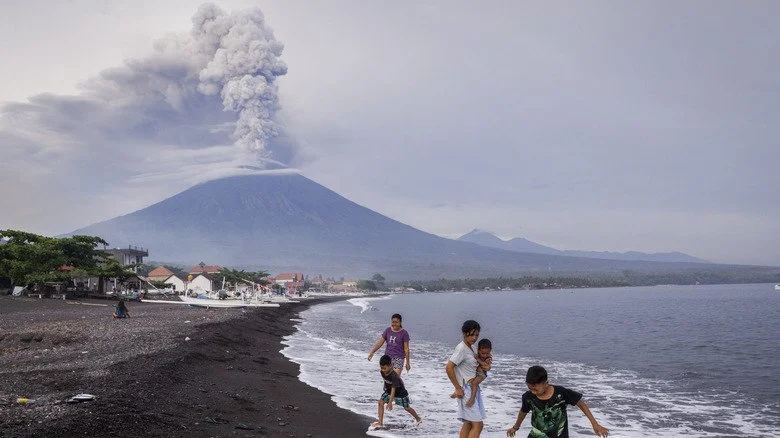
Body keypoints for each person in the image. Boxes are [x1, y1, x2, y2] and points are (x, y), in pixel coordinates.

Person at [506, 365, 609, 438]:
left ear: (546, 383)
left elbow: (581, 403)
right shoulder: (528, 397)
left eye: (535, 389)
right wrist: (515, 427)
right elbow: (523, 412)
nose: (532, 392)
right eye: (529, 388)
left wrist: (595, 424)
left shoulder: (561, 393)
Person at [446, 320, 486, 438]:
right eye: (471, 334)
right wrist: (457, 388)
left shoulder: (472, 348)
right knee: (478, 425)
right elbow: (449, 367)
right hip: (466, 390)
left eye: (477, 335)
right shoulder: (461, 349)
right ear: (464, 333)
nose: (474, 337)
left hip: (473, 389)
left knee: (468, 423)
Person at [370, 354, 422, 429]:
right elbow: (385, 379)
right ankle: (380, 422)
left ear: (390, 366)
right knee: (380, 402)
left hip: (400, 393)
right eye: (381, 367)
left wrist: (390, 402)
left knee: (407, 408)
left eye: (385, 368)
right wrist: (384, 385)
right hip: (389, 390)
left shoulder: (394, 376)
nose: (383, 370)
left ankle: (418, 418)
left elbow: (394, 390)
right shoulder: (382, 371)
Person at [463, 338, 492, 408]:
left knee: (474, 383)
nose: (485, 355)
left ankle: (472, 399)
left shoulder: (489, 358)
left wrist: (477, 359)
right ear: (478, 350)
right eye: (483, 353)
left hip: (482, 374)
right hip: (477, 372)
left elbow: (485, 365)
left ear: (490, 350)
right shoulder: (476, 351)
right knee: (470, 382)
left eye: (487, 353)